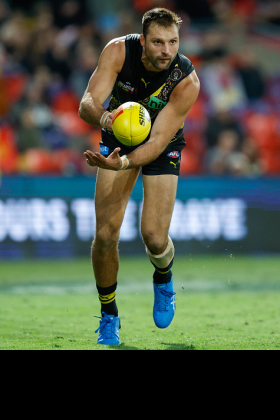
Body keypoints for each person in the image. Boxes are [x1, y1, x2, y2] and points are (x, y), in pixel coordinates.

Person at [79, 8, 200, 345]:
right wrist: (109, 121)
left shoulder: (186, 80)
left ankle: (164, 279)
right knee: (104, 234)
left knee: (154, 237)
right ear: (143, 41)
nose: (166, 50)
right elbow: (87, 102)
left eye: (173, 42)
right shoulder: (118, 50)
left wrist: (120, 165)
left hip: (162, 140)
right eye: (158, 42)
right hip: (116, 132)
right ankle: (109, 315)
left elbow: (159, 140)